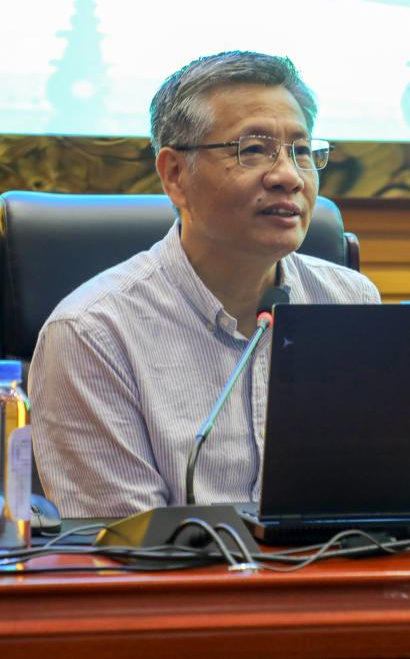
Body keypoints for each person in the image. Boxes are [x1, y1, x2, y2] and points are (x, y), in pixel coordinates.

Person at [29, 51, 381, 518]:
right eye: (252, 150)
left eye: (300, 151)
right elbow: (129, 541)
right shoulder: (93, 333)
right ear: (176, 175)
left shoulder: (350, 302)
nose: (288, 176)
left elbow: (377, 502)